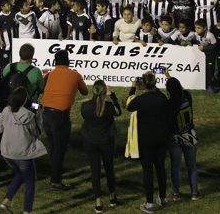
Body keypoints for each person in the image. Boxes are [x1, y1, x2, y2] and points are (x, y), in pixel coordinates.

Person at [41, 50, 88, 190]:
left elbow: (43, 89)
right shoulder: (74, 74)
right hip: (60, 115)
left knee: (53, 146)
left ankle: (54, 174)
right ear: (68, 61)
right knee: (59, 148)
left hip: (46, 113)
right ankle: (55, 181)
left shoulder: (49, 75)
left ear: (55, 62)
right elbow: (85, 91)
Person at [0, 87, 48, 214]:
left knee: (20, 174)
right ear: (25, 101)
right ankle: (28, 211)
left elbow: (0, 127)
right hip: (22, 153)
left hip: (7, 152)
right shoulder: (29, 115)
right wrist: (39, 115)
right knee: (30, 180)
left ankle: (7, 201)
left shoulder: (6, 110)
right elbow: (36, 133)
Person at [127, 72, 171, 213]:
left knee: (148, 171)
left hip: (146, 140)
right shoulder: (162, 98)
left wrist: (133, 88)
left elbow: (129, 105)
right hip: (162, 138)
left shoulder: (141, 99)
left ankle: (150, 203)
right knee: (160, 168)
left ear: (144, 84)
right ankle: (163, 198)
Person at [81, 80, 121, 213]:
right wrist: (113, 95)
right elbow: (119, 111)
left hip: (91, 141)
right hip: (106, 141)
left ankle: (98, 201)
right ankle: (112, 196)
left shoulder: (86, 106)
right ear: (105, 91)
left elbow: (84, 116)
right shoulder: (109, 107)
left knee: (95, 171)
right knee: (109, 168)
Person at [166, 77, 199, 202]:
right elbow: (180, 90)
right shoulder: (187, 96)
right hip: (190, 134)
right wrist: (169, 77)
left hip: (175, 137)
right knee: (192, 165)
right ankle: (194, 193)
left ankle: (176, 194)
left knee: (175, 166)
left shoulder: (170, 103)